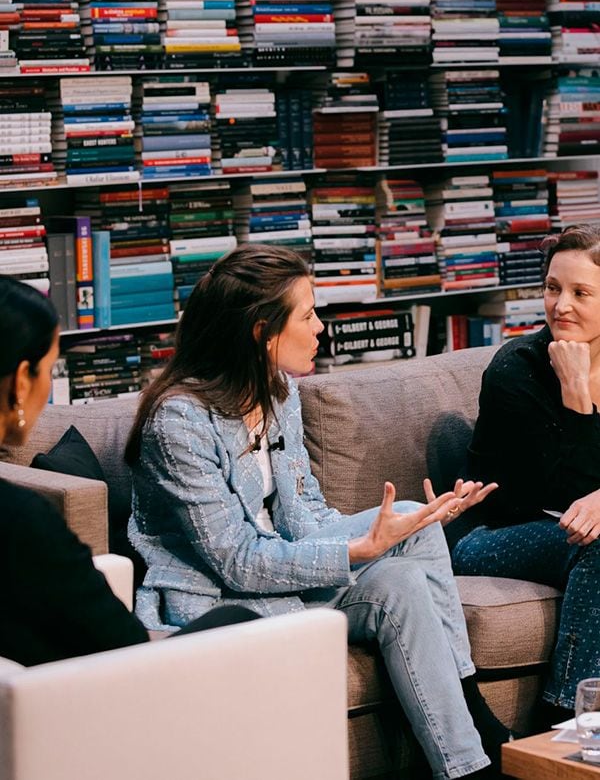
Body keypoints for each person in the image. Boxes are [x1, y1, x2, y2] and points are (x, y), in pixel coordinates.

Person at [126, 243, 508, 780]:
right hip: (219, 604)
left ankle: (467, 759)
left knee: (409, 543)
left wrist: (402, 528)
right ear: (261, 330)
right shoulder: (179, 422)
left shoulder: (279, 391)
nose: (321, 328)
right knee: (392, 556)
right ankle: (475, 733)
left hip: (286, 577)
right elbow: (235, 560)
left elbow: (304, 515)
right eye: (307, 315)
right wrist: (359, 549)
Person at [0, 275, 259, 669]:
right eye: (50, 371)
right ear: (21, 382)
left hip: (35, 694)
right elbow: (124, 651)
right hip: (86, 706)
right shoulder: (22, 520)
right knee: (239, 624)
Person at [449, 223, 600, 725]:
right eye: (553, 288)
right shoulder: (516, 370)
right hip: (491, 537)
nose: (561, 305)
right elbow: (567, 497)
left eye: (581, 292)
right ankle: (565, 716)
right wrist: (577, 398)